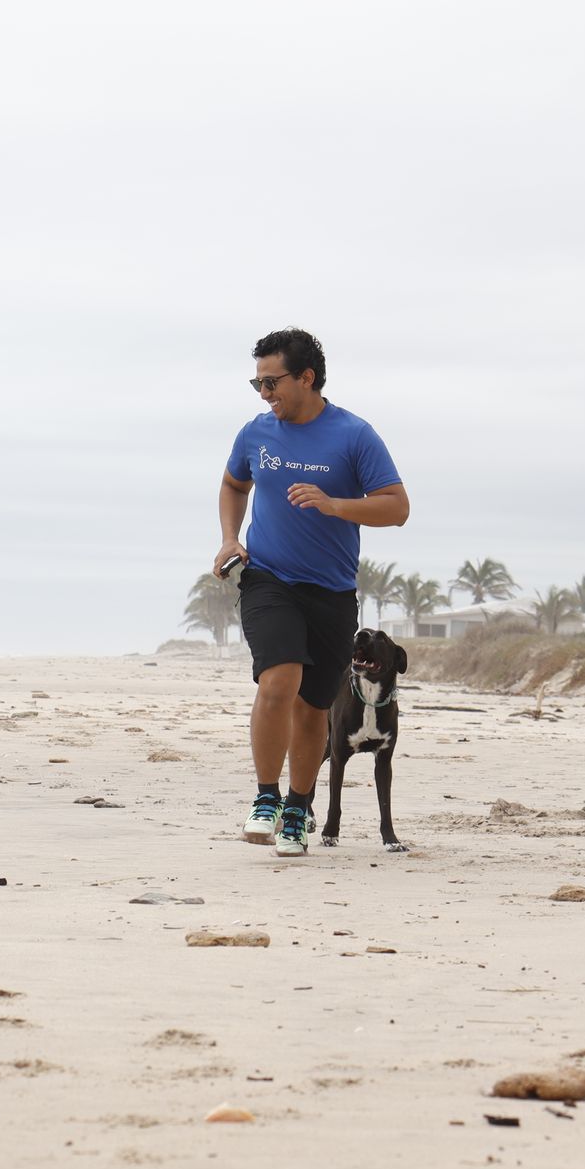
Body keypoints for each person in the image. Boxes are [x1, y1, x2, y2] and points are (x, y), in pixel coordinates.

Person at [214, 329, 408, 857]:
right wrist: (231, 538)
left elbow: (396, 507)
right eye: (256, 382)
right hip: (268, 578)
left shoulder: (354, 436)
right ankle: (265, 798)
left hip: (331, 591)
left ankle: (298, 808)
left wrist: (335, 504)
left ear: (306, 377)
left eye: (271, 381)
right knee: (278, 681)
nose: (263, 393)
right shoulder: (256, 433)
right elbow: (235, 485)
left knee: (313, 706)